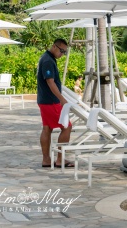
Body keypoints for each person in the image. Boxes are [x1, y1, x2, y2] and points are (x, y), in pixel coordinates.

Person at [37, 38, 73, 168]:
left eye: (64, 52)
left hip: (44, 100)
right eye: (61, 51)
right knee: (67, 126)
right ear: (54, 47)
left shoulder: (47, 58)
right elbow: (50, 82)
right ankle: (60, 159)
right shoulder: (47, 61)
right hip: (50, 101)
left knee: (47, 128)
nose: (62, 54)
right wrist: (61, 99)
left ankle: (46, 160)